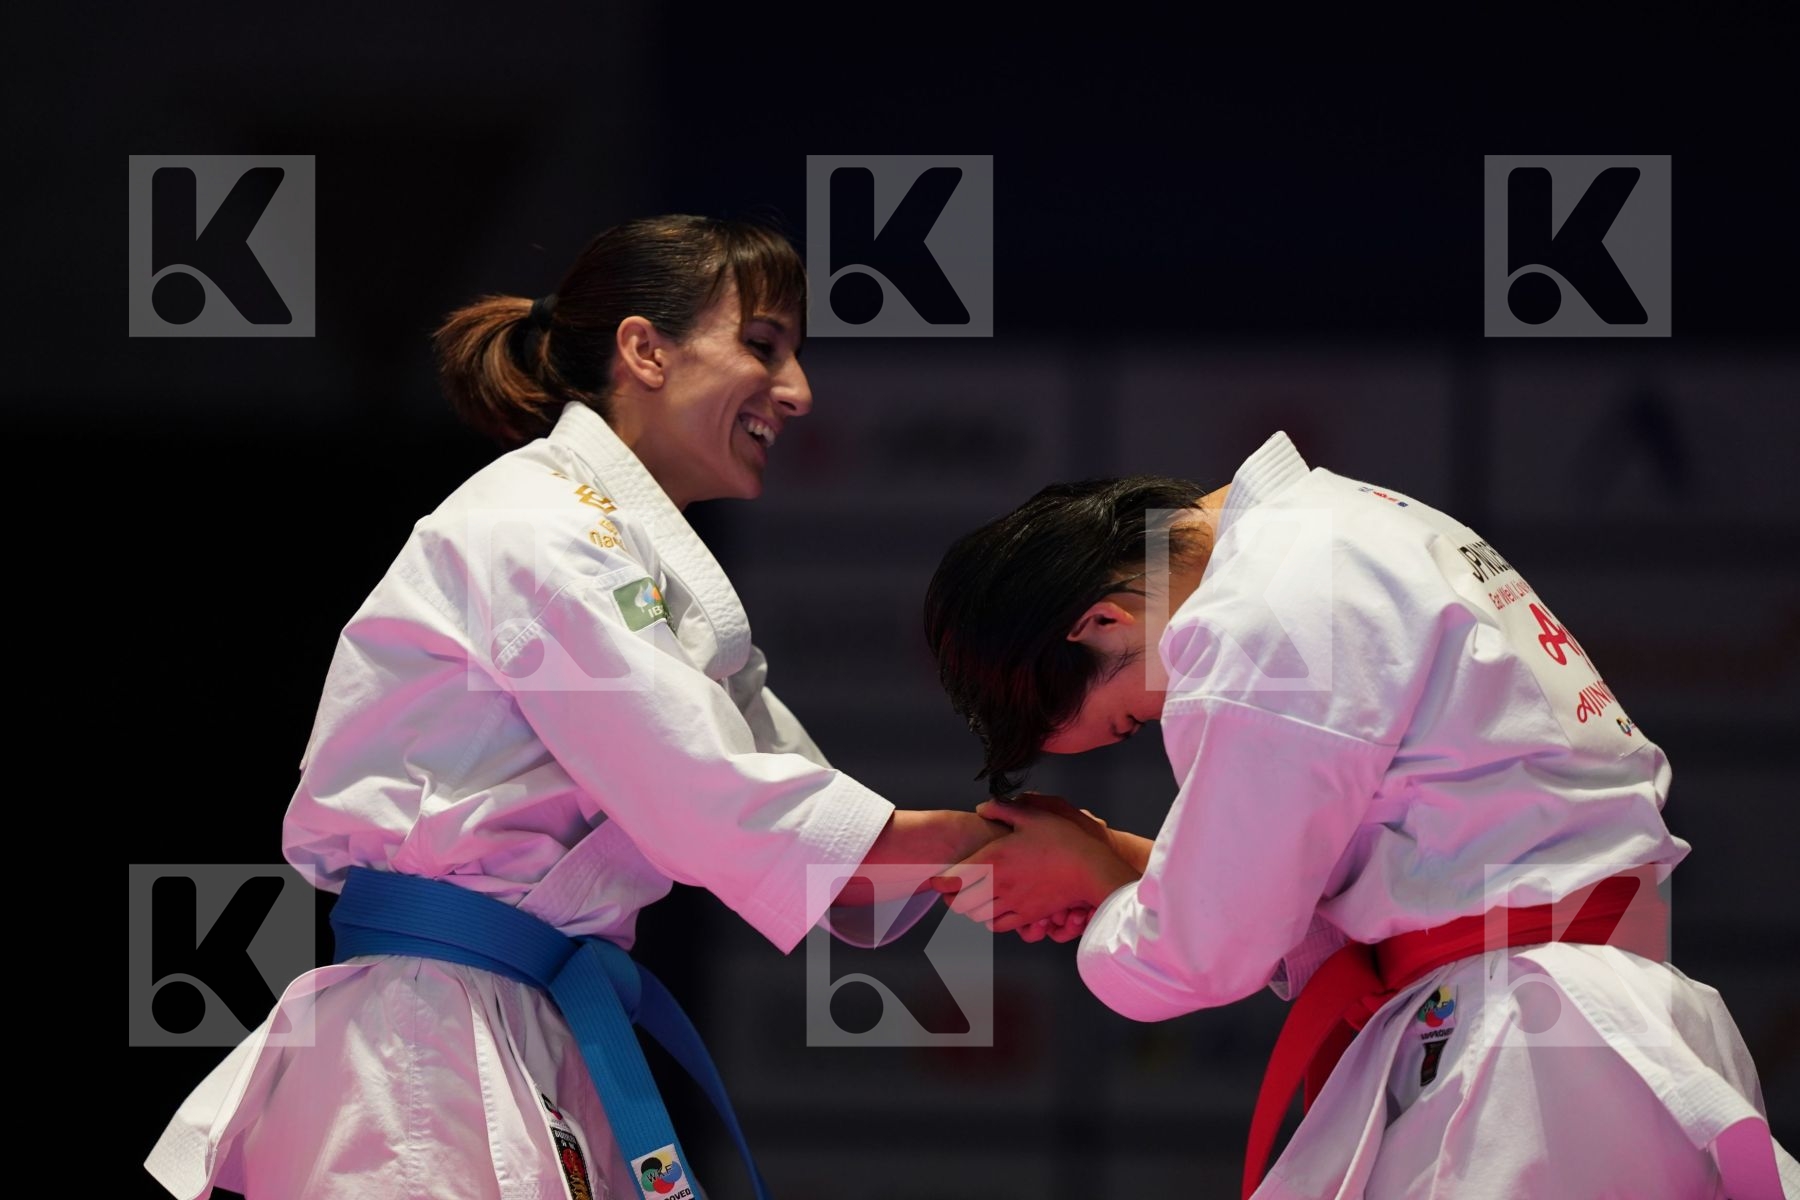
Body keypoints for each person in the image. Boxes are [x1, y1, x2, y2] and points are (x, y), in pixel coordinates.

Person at [145, 214, 1002, 1200]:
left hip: (523, 1022)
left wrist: (997, 860)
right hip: (425, 1046)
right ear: (645, 350)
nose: (799, 391)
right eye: (764, 346)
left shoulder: (647, 574)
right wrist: (990, 847)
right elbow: (711, 797)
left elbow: (797, 812)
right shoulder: (540, 528)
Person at [924, 431, 1800, 1199]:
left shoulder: (1262, 609)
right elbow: (1370, 857)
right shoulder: (1344, 523)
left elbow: (1198, 955)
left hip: (1531, 1044)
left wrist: (1108, 896)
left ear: (1100, 622)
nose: (1163, 717)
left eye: (1132, 719)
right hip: (1561, 1015)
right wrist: (1125, 862)